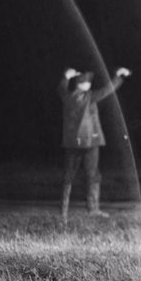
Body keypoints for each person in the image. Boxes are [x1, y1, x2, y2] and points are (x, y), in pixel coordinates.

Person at [58, 66, 131, 222]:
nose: (90, 84)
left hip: (72, 143)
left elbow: (61, 88)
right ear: (82, 84)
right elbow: (107, 91)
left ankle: (63, 211)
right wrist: (118, 77)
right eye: (87, 82)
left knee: (69, 176)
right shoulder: (89, 97)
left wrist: (66, 77)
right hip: (90, 142)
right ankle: (93, 209)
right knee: (93, 176)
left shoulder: (67, 96)